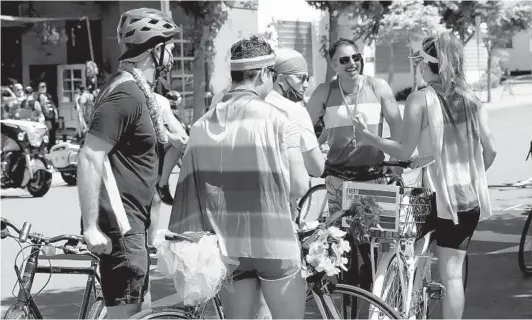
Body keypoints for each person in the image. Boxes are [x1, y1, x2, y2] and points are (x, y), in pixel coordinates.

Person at [352, 32, 497, 319]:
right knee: (452, 276)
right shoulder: (473, 99)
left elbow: (405, 151)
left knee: (400, 245)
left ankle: (403, 291)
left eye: (419, 61)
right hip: (465, 201)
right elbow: (490, 151)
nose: (417, 66)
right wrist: (465, 175)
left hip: (430, 197)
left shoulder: (420, 98)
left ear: (430, 64)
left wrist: (368, 137)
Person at [168, 35, 308, 319]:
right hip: (274, 241)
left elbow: (191, 190)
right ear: (264, 74)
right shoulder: (279, 120)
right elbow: (300, 185)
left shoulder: (200, 125)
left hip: (226, 246)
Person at [77, 8, 183, 319]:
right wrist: (90, 227)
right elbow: (90, 155)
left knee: (142, 312)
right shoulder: (125, 93)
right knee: (129, 315)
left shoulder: (139, 92)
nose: (174, 55)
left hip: (135, 226)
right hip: (122, 227)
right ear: (155, 50)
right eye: (171, 47)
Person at [306, 38, 403, 290]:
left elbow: (398, 127)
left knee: (373, 255)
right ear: (333, 65)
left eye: (356, 57)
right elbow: (302, 131)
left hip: (373, 179)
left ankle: (374, 305)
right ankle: (349, 304)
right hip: (339, 180)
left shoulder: (378, 86)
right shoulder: (324, 92)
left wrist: (395, 163)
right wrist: (312, 158)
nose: (352, 63)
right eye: (344, 59)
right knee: (342, 254)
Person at [265, 48, 324, 178]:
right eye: (301, 78)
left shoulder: (250, 103)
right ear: (280, 78)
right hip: (282, 194)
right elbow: (317, 169)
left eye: (307, 78)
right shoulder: (295, 111)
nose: (306, 85)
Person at [148, 91, 188, 251]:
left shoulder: (161, 100)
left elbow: (175, 126)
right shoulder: (136, 93)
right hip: (132, 155)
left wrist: (184, 139)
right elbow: (150, 125)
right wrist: (174, 138)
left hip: (153, 152)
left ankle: (149, 244)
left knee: (155, 200)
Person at [36, 82, 59, 150]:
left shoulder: (48, 96)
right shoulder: (39, 97)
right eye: (42, 87)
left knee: (53, 132)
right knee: (48, 132)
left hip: (52, 117)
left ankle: (53, 146)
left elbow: (53, 105)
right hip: (46, 118)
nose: (44, 88)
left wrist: (56, 114)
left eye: (45, 86)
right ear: (39, 88)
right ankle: (49, 148)